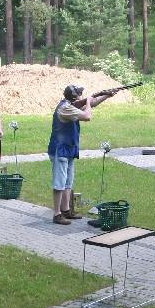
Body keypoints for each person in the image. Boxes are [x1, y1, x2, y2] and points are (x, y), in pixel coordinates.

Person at [48, 84, 114, 225]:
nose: (81, 96)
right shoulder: (65, 108)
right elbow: (87, 116)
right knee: (59, 183)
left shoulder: (71, 106)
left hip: (68, 148)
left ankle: (66, 210)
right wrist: (88, 102)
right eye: (79, 94)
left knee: (68, 182)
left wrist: (106, 95)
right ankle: (57, 214)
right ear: (74, 97)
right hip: (60, 149)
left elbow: (92, 103)